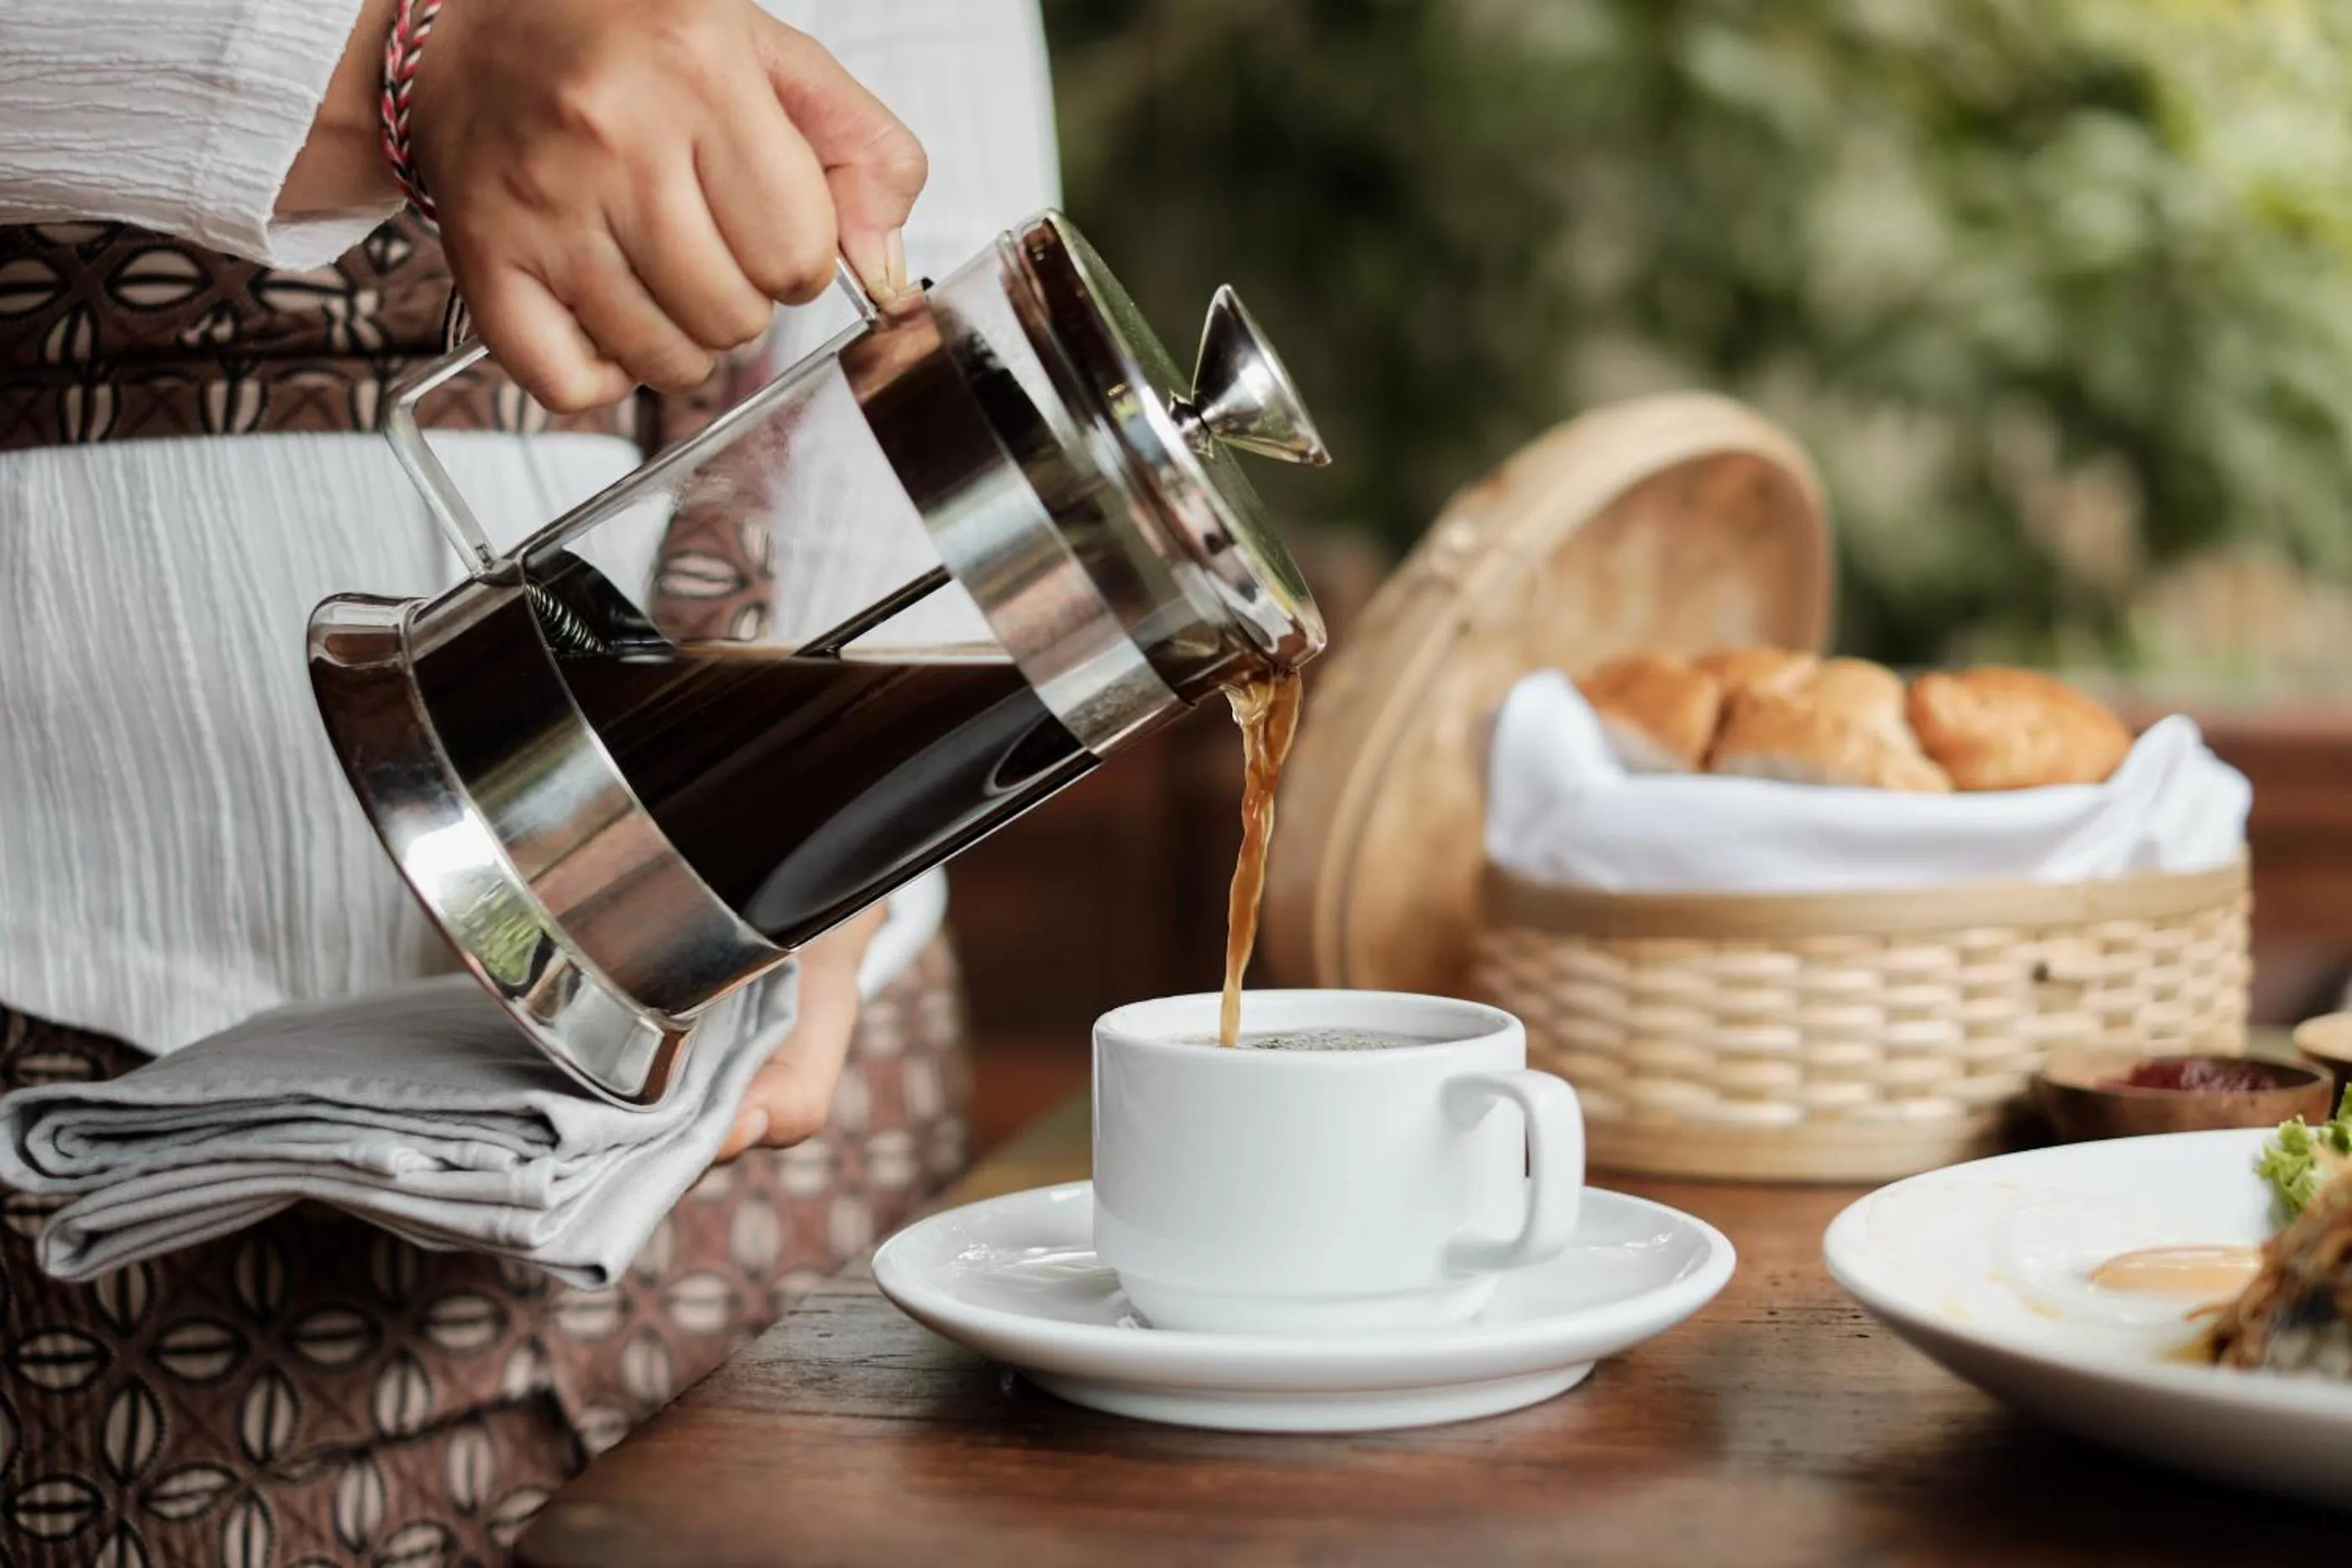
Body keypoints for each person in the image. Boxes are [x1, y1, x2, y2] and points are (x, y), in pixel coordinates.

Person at [0, 0, 1057, 1559]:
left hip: (796, 1110)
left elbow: (925, 161)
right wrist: (376, 61)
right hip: (115, 1082)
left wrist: (850, 846)